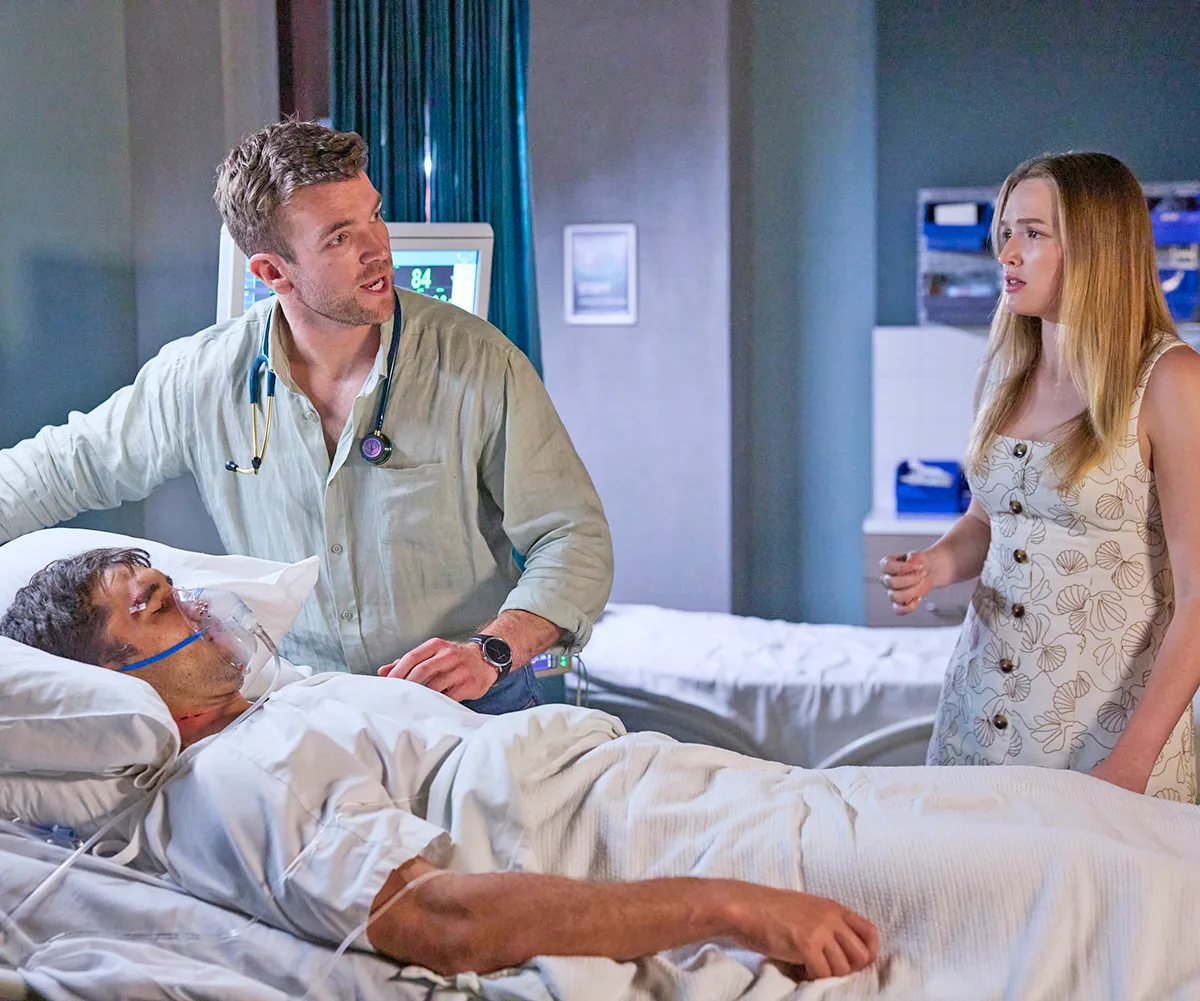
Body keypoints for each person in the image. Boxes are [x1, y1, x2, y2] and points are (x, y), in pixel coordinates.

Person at [0, 546, 881, 982]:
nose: (197, 602)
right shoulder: (236, 774)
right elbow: (437, 918)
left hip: (693, 799)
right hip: (676, 844)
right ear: (110, 685)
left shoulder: (280, 705)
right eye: (156, 604)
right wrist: (733, 906)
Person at [0, 120, 613, 715]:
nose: (379, 250)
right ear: (272, 272)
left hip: (474, 698)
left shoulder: (478, 362)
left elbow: (571, 537)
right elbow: (52, 472)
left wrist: (493, 650)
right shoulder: (200, 378)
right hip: (307, 706)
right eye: (340, 238)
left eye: (375, 215)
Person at [878, 152, 1200, 799]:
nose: (1007, 254)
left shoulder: (1171, 381)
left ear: (1096, 246)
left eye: (1032, 233)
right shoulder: (1000, 373)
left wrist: (1133, 760)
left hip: (1106, 749)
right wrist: (937, 563)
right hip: (975, 726)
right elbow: (988, 520)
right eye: (1005, 232)